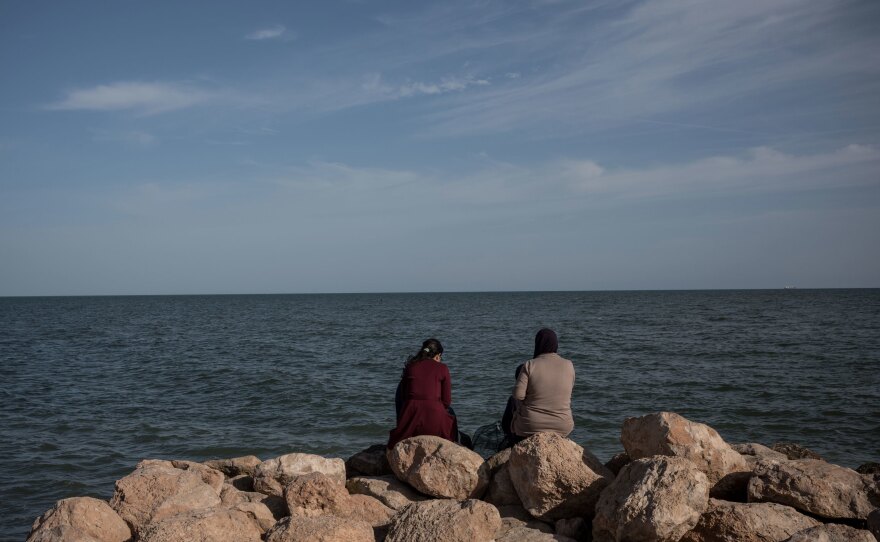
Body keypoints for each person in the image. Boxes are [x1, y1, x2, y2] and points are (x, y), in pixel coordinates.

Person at [506, 328, 575, 444]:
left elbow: (518, 395)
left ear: (538, 343)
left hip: (530, 426)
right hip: (563, 426)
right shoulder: (569, 365)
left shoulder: (529, 365)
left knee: (513, 402)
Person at [387, 338, 459, 449]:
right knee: (450, 412)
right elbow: (446, 401)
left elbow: (405, 396)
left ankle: (401, 427)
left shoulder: (410, 367)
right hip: (435, 425)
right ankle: (454, 443)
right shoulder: (443, 368)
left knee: (403, 395)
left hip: (410, 423)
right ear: (438, 356)